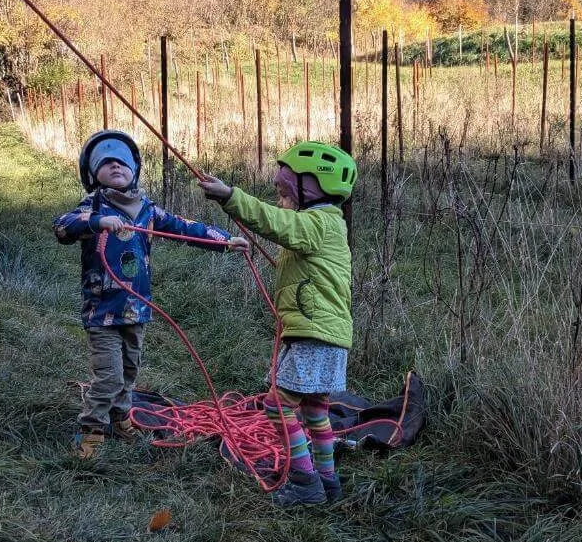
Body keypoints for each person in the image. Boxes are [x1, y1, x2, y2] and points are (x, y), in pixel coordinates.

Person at [54, 129, 249, 459]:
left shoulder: (147, 210)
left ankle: (119, 419)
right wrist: (99, 222)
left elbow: (186, 228)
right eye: (106, 163)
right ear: (92, 174)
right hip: (102, 312)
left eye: (122, 162)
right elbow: (63, 227)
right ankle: (91, 428)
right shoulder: (93, 207)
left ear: (135, 170)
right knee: (108, 376)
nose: (115, 166)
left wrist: (224, 241)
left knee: (129, 371)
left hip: (137, 310)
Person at [198, 140, 356, 506]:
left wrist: (229, 196)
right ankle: (327, 481)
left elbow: (277, 223)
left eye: (285, 193)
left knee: (277, 405)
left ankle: (304, 482)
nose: (282, 201)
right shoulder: (325, 226)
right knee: (315, 409)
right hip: (326, 335)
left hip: (315, 335)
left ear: (311, 188)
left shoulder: (319, 222)